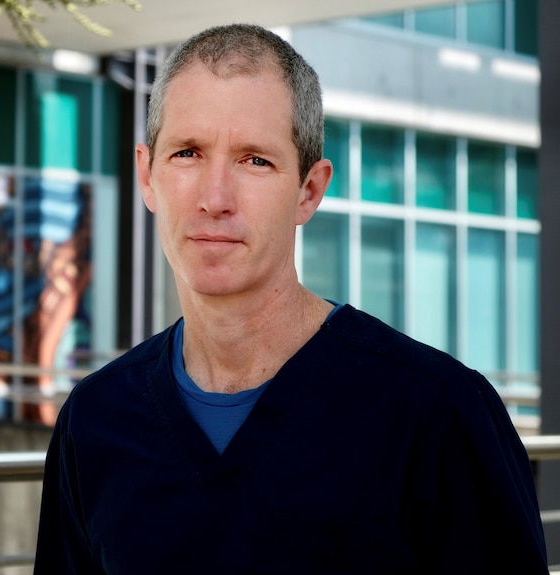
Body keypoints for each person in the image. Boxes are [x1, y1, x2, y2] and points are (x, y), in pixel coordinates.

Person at [33, 23, 548, 574]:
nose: (214, 198)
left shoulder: (437, 414)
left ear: (309, 190)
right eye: (187, 152)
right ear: (147, 176)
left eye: (255, 160)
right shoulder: (94, 422)